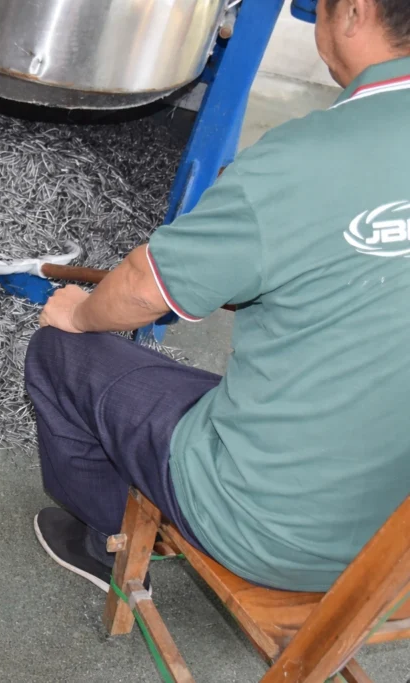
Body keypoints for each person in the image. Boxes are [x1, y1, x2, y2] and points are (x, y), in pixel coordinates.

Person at [26, 0, 410, 594]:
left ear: (355, 12)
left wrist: (78, 312)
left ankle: (107, 544)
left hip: (271, 529)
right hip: (395, 547)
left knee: (59, 351)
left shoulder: (305, 158)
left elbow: (139, 290)